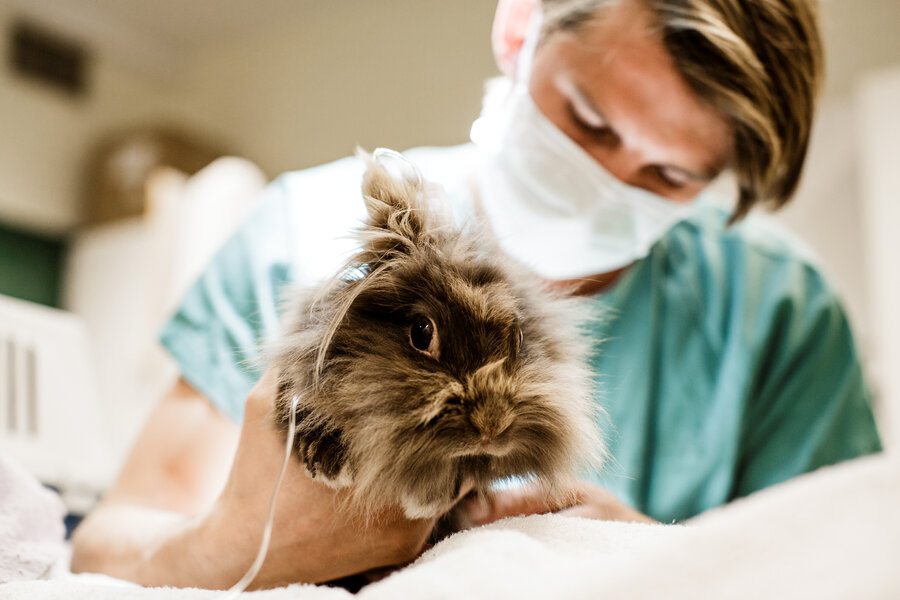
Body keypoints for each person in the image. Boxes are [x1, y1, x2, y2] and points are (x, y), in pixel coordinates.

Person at [71, 0, 882, 589]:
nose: (607, 185)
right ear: (519, 27)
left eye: (668, 177)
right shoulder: (293, 233)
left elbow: (842, 569)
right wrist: (234, 548)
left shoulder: (780, 311)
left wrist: (653, 556)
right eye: (588, 122)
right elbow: (104, 550)